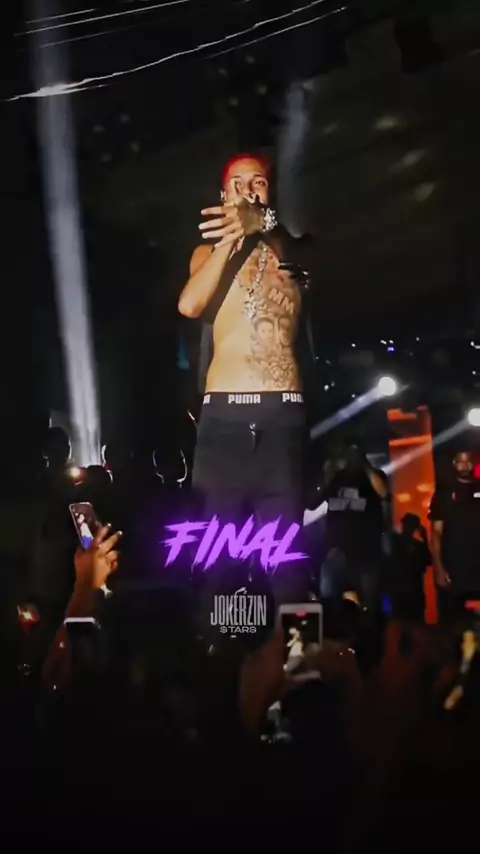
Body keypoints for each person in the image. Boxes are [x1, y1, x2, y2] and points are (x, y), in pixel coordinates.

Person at [178, 153, 313, 600]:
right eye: (237, 183)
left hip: (282, 419)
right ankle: (221, 641)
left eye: (258, 182)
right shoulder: (206, 254)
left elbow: (308, 253)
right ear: (223, 196)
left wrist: (264, 222)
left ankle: (291, 642)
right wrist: (230, 239)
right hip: (225, 422)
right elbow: (190, 305)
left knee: (287, 565)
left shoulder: (291, 252)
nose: (247, 190)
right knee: (218, 560)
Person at [318, 444, 389, 611]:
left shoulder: (371, 478)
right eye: (348, 454)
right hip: (337, 551)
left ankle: (366, 623)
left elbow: (384, 493)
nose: (352, 458)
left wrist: (366, 468)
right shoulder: (337, 479)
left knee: (367, 603)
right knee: (330, 600)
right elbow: (319, 502)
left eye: (355, 454)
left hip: (365, 553)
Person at [430, 450, 480, 628]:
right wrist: (438, 567)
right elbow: (436, 533)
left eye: (468, 461)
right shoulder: (444, 494)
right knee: (455, 626)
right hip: (455, 570)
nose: (465, 466)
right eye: (460, 462)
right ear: (454, 464)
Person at [390, 513, 430, 623]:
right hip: (411, 590)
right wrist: (424, 538)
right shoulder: (417, 545)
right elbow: (428, 561)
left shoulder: (395, 542)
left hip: (402, 590)